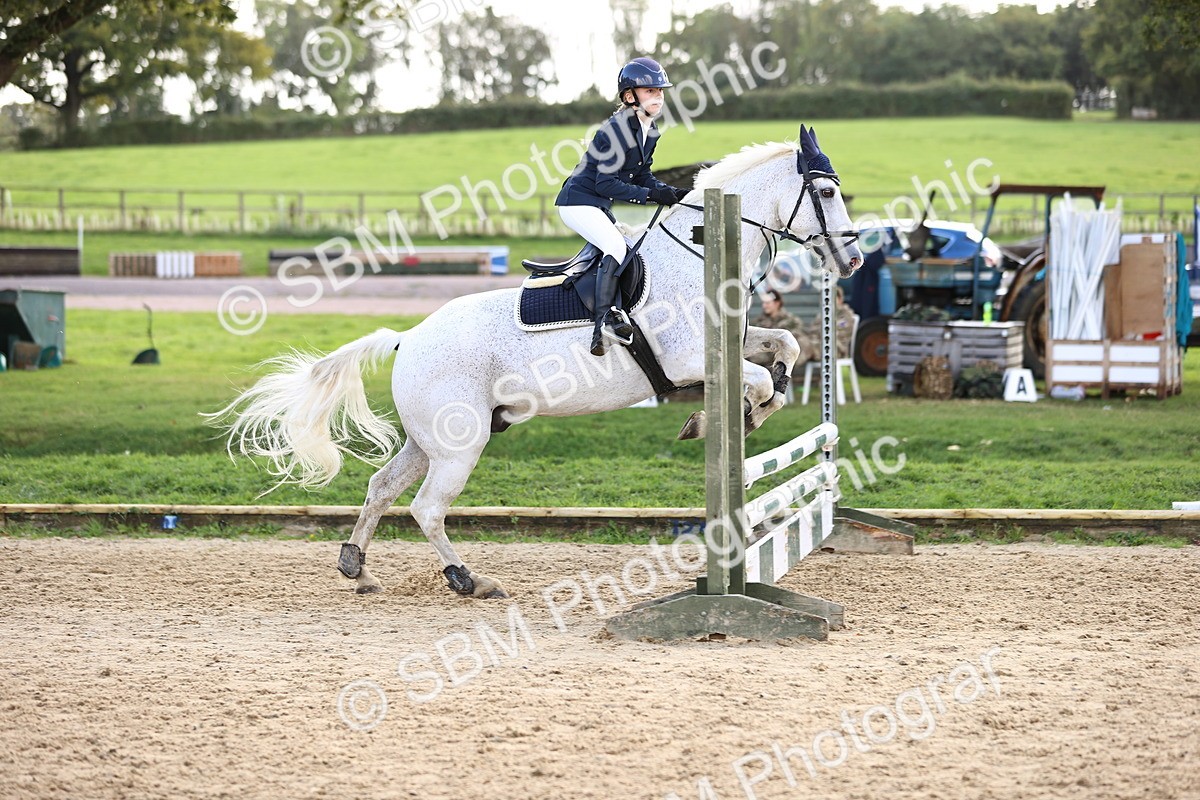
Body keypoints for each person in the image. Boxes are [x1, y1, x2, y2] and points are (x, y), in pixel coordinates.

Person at [556, 56, 690, 356]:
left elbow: (642, 176)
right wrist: (652, 197)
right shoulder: (615, 130)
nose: (658, 96)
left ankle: (618, 312)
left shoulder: (650, 131)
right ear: (630, 96)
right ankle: (603, 321)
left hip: (596, 204)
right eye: (650, 91)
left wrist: (672, 192)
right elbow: (605, 184)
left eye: (660, 91)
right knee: (617, 248)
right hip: (577, 202)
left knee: (626, 247)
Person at [750, 290, 816, 378]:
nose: (764, 306)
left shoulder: (791, 321)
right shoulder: (758, 322)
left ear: (777, 303)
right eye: (763, 303)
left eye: (767, 303)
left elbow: (794, 341)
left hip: (780, 359)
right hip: (760, 359)